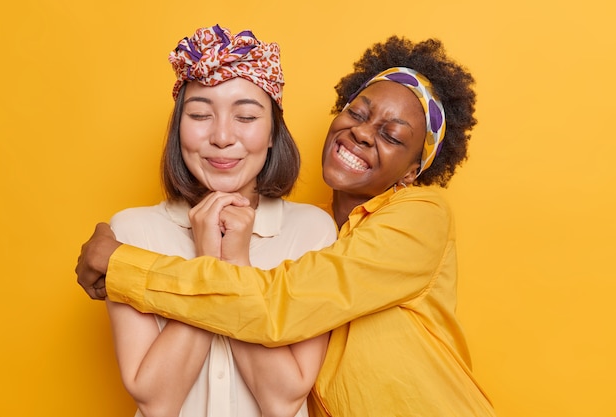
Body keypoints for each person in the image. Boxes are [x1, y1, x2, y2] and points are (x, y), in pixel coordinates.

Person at [77, 35, 498, 416]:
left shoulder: (419, 217)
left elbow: (284, 303)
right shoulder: (320, 226)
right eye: (357, 112)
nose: (363, 134)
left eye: (391, 136)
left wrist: (121, 265)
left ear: (411, 171)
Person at [104, 24, 336, 417]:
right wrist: (207, 261)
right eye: (199, 115)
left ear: (271, 135)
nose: (223, 136)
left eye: (245, 116)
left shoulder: (311, 232)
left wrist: (236, 263)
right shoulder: (130, 233)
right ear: (179, 130)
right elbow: (157, 401)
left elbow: (282, 399)